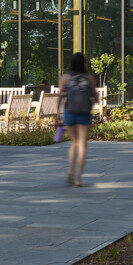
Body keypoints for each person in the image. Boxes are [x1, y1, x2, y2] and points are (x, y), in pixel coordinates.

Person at [58, 53, 97, 187]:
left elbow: (60, 97)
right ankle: (78, 179)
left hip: (69, 112)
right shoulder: (89, 78)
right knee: (82, 145)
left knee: (74, 142)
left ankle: (70, 171)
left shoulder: (66, 77)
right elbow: (95, 97)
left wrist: (58, 114)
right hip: (84, 113)